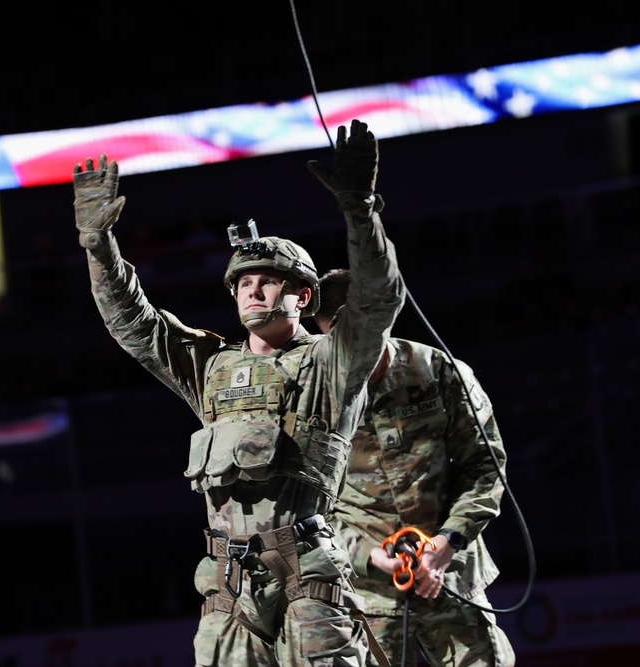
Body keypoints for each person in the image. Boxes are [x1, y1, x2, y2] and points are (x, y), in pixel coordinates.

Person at [71, 119, 405, 666]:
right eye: (243, 282)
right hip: (228, 582)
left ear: (302, 296)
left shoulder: (329, 362)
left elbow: (377, 300)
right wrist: (97, 247)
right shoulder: (211, 366)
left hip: (309, 574)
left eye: (267, 280)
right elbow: (135, 323)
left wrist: (360, 209)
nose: (252, 289)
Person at [314, 268, 515, 667]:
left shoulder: (439, 372)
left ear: (382, 319)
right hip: (366, 597)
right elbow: (307, 507)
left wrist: (448, 542)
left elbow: (485, 467)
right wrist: (369, 556)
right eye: (335, 336)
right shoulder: (315, 394)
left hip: (453, 579)